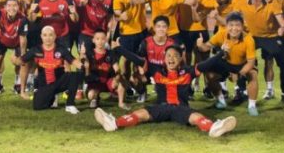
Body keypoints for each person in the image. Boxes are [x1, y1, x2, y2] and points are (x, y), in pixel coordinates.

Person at [94, 44, 237, 138]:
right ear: (164, 59)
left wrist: (221, 53)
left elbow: (207, 64)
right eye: (168, 55)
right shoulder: (156, 70)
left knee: (195, 117)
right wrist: (120, 49)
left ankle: (214, 128)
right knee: (141, 113)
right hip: (161, 107)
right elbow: (137, 60)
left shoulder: (188, 71)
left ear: (180, 59)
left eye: (175, 56)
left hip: (180, 107)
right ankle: (114, 123)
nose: (171, 58)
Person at [196, 12, 260, 115]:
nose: (234, 28)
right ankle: (221, 101)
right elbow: (205, 48)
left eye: (237, 25)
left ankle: (252, 106)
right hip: (226, 62)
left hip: (243, 64)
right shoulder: (221, 34)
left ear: (242, 26)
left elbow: (251, 63)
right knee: (209, 75)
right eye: (231, 25)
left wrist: (239, 74)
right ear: (227, 26)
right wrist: (200, 45)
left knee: (253, 75)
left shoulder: (249, 40)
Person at [16, 25, 83, 113]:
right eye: (45, 35)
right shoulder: (35, 50)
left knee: (74, 76)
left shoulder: (61, 49)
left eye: (50, 35)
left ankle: (70, 105)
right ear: (41, 36)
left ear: (55, 36)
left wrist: (83, 63)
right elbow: (20, 60)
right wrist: (15, 60)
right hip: (45, 85)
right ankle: (52, 97)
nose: (48, 38)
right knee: (38, 106)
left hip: (59, 82)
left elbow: (74, 61)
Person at [0, 0, 28, 100]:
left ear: (18, 7)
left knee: (23, 63)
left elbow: (23, 38)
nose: (12, 8)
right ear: (4, 7)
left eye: (15, 5)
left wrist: (23, 55)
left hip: (16, 42)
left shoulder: (23, 18)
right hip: (1, 41)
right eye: (9, 5)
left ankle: (22, 91)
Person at [82, 30, 127, 109]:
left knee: (121, 81)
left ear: (106, 40)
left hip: (108, 81)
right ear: (93, 40)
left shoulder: (110, 53)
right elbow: (85, 68)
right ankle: (95, 99)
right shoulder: (89, 53)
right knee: (91, 95)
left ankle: (121, 103)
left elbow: (116, 68)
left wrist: (117, 77)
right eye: (97, 39)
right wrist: (82, 54)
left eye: (103, 39)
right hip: (95, 83)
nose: (100, 41)